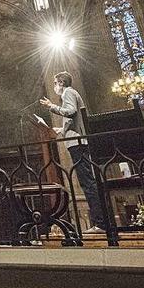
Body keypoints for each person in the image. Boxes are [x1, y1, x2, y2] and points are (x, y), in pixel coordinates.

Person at [40, 71, 105, 234]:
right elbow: (73, 120)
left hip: (77, 143)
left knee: (87, 183)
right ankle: (100, 222)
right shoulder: (72, 93)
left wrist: (51, 107)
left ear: (61, 82)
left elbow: (70, 111)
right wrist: (61, 130)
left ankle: (101, 223)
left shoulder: (68, 92)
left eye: (55, 83)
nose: (54, 86)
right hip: (77, 140)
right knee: (87, 182)